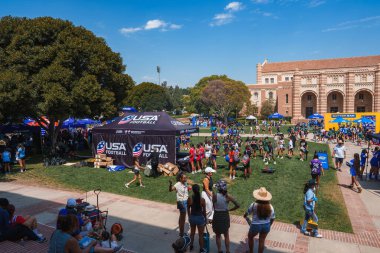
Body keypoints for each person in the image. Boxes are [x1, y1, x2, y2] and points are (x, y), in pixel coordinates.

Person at [244, 187, 275, 253]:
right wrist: (269, 225)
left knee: (250, 237)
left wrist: (245, 215)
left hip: (255, 225)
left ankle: (251, 251)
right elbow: (273, 218)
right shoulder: (270, 206)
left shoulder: (254, 205)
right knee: (262, 240)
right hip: (266, 225)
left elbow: (248, 212)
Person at [212, 180, 240, 253]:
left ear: (218, 188)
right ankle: (227, 251)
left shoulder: (215, 195)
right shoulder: (228, 196)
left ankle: (219, 250)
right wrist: (230, 209)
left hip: (217, 215)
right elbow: (238, 205)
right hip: (225, 215)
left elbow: (214, 206)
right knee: (226, 235)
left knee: (218, 235)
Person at [187, 184, 206, 253]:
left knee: (192, 233)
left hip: (192, 217)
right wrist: (205, 219)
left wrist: (189, 216)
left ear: (192, 190)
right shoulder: (202, 200)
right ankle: (201, 249)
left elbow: (188, 208)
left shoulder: (190, 198)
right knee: (201, 235)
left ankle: (191, 246)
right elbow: (204, 211)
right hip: (200, 218)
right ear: (199, 190)